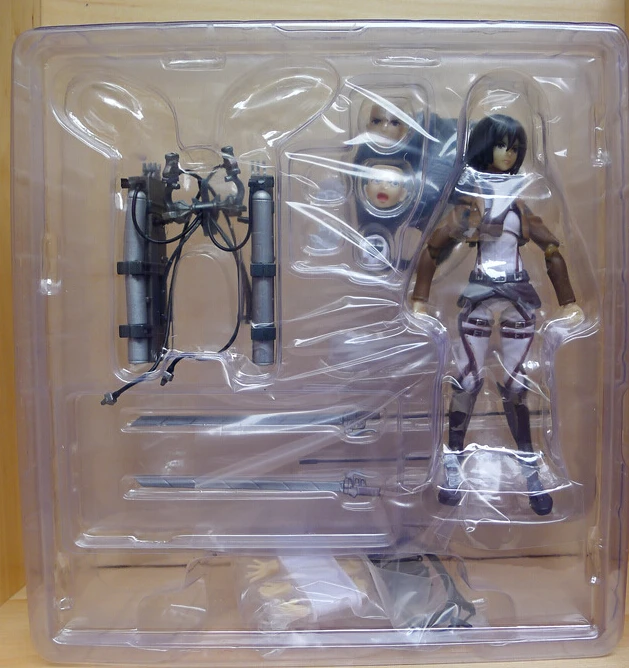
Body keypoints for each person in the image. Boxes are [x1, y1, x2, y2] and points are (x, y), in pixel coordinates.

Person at [411, 114, 583, 516]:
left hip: (518, 295)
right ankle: (452, 468)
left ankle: (531, 474)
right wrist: (420, 298)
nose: (508, 153)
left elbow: (552, 250)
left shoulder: (520, 205)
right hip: (479, 294)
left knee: (516, 386)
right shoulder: (470, 202)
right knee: (468, 381)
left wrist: (568, 301)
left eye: (514, 147)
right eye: (501, 145)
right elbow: (433, 249)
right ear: (485, 147)